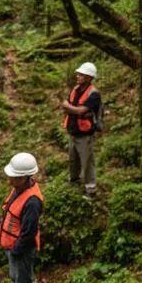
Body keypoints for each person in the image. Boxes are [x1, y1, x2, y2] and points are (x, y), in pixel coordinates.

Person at [0, 153, 43, 283]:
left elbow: (28, 233)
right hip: (12, 246)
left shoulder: (32, 202)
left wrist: (16, 250)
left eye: (14, 177)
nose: (10, 180)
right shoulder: (19, 188)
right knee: (17, 282)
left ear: (25, 178)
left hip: (21, 249)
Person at [61, 62, 101, 198]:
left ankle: (91, 190)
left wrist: (71, 109)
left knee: (87, 162)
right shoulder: (76, 89)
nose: (77, 76)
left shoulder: (93, 94)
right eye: (78, 74)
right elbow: (65, 104)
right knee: (73, 160)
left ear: (89, 78)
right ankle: (74, 182)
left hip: (85, 135)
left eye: (81, 75)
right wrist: (73, 109)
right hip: (73, 131)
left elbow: (81, 111)